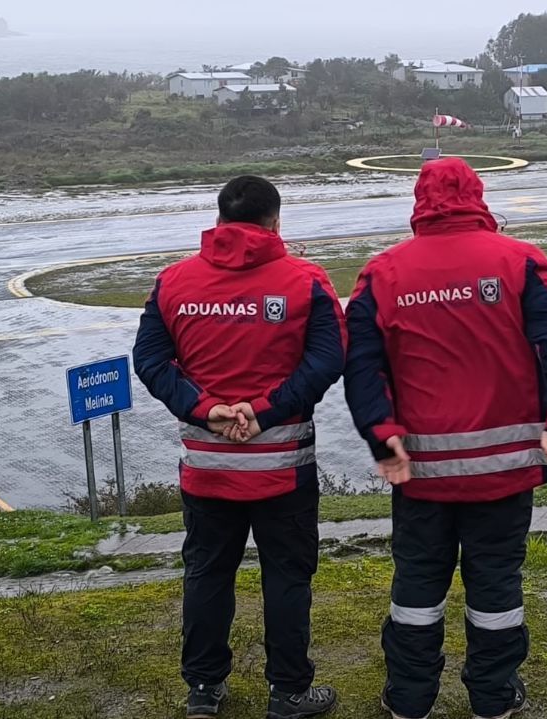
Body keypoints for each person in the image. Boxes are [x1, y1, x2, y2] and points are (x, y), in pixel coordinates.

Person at [344, 157, 547, 719]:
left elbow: (362, 368)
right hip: (504, 471)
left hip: (419, 475)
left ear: (419, 203)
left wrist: (382, 438)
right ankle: (494, 698)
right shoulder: (522, 262)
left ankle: (408, 698)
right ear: (478, 196)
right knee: (496, 588)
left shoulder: (383, 274)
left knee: (417, 592)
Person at [133, 176, 345, 719]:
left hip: (207, 468)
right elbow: (327, 361)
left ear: (220, 220)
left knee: (207, 573)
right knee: (287, 576)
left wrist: (205, 409)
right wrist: (266, 409)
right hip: (284, 469)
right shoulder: (307, 281)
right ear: (276, 220)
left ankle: (204, 691)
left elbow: (151, 363)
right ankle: (289, 693)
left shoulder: (172, 283)